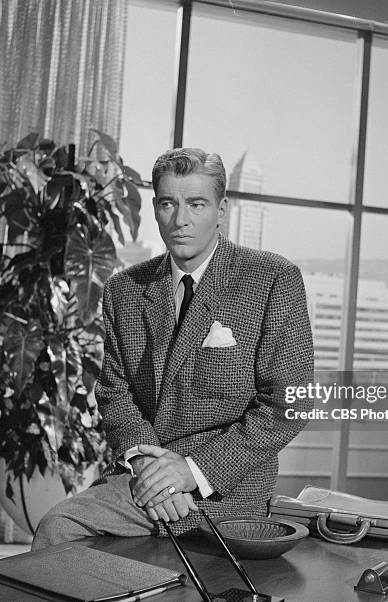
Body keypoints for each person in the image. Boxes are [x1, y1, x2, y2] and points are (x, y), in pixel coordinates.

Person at [32, 148, 314, 549]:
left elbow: (290, 404)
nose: (180, 219)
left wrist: (190, 472)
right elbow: (116, 394)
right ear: (155, 208)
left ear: (221, 210)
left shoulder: (272, 279)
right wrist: (149, 468)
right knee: (58, 525)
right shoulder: (124, 289)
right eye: (169, 203)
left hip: (226, 491)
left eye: (196, 204)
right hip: (143, 482)